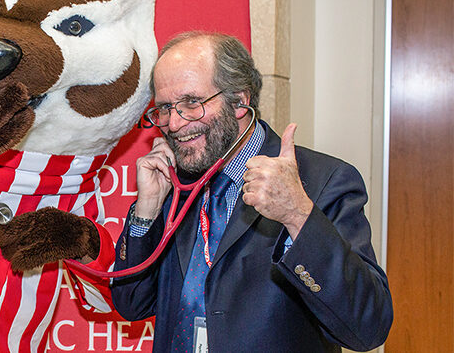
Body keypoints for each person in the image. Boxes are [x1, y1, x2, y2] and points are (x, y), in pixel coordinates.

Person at [110, 32, 393, 352]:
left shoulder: (325, 181)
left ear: (241, 100)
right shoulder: (174, 184)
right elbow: (131, 303)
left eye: (192, 102)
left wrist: (298, 215)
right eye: (164, 108)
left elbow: (368, 328)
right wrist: (146, 211)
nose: (174, 123)